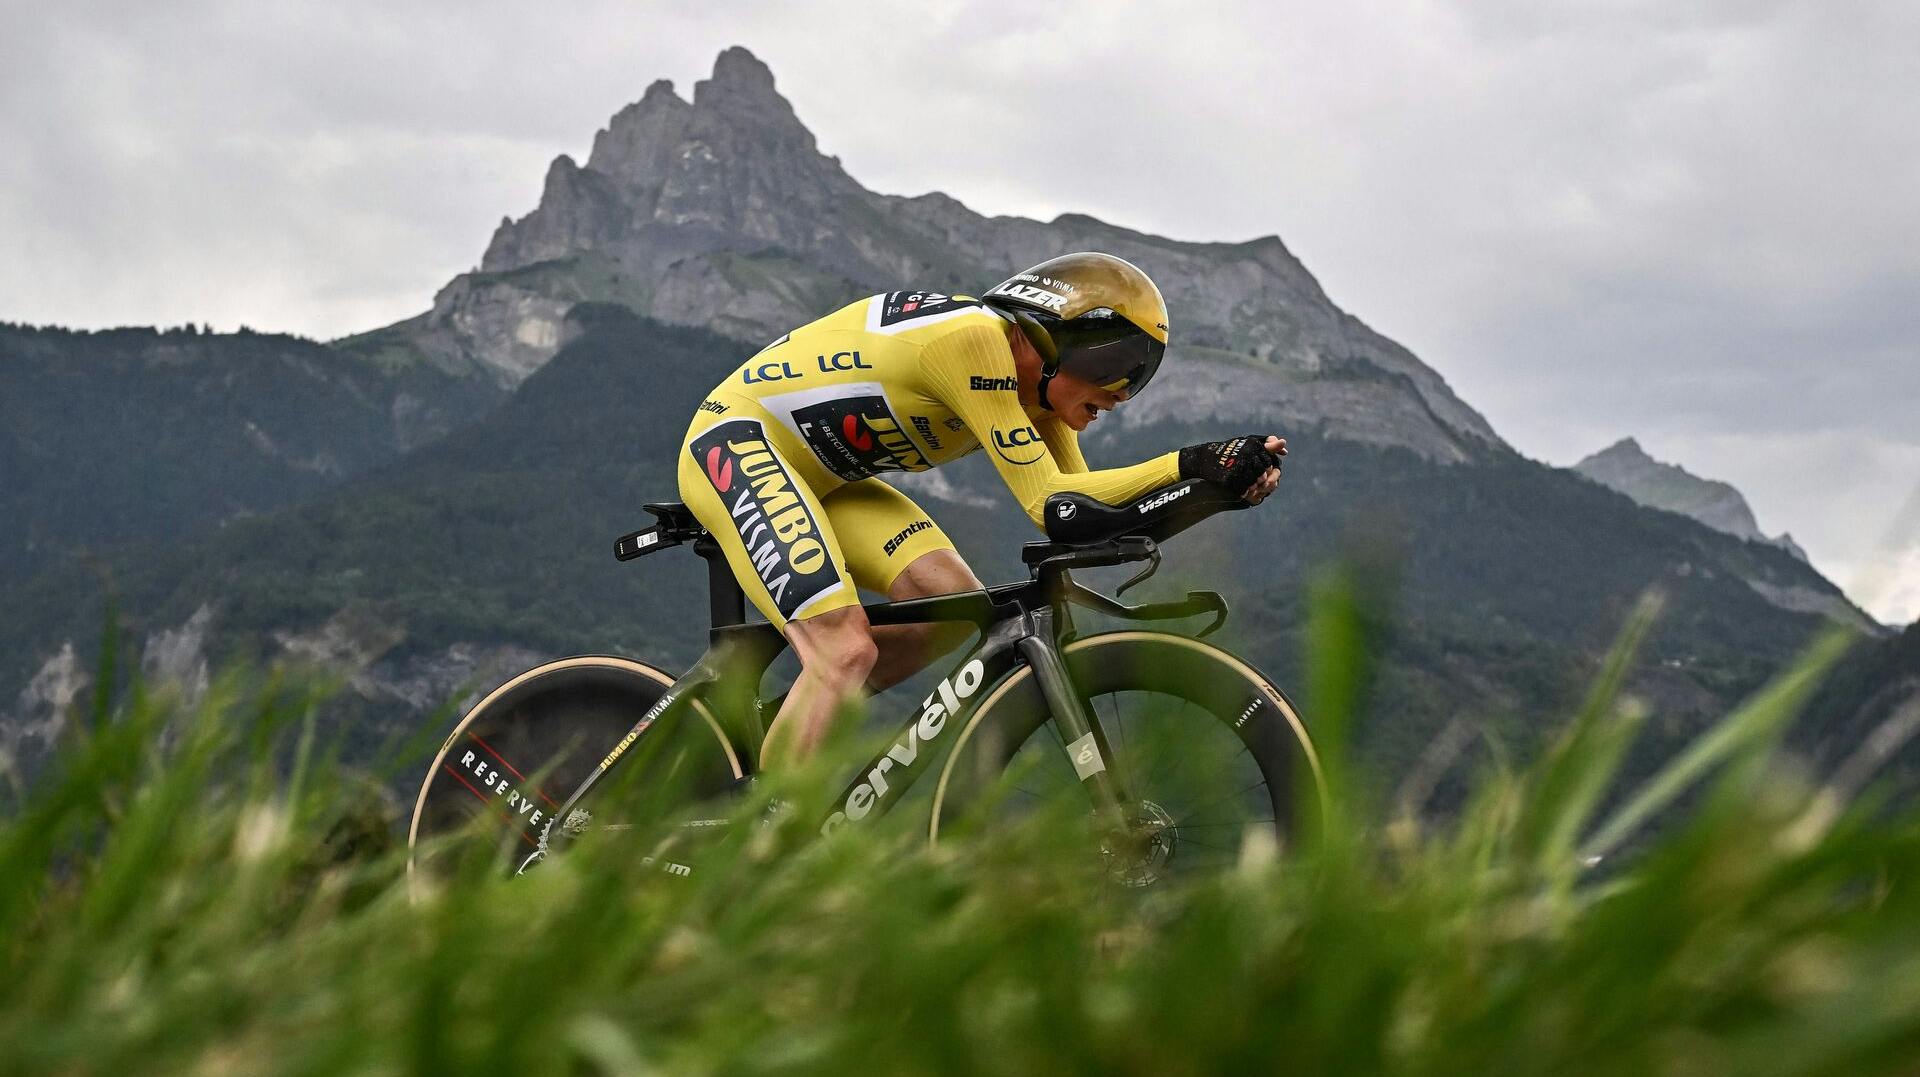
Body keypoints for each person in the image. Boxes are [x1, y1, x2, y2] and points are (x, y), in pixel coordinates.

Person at [677, 252, 1285, 769]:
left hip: (829, 481)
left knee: (953, 610)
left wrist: (1218, 490)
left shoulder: (1039, 400)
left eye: (1138, 376)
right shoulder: (974, 342)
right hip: (736, 443)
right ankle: (761, 842)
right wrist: (1193, 463)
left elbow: (1085, 509)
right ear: (1049, 340)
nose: (1120, 393)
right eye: (1113, 368)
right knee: (843, 650)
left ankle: (785, 731)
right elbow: (1056, 510)